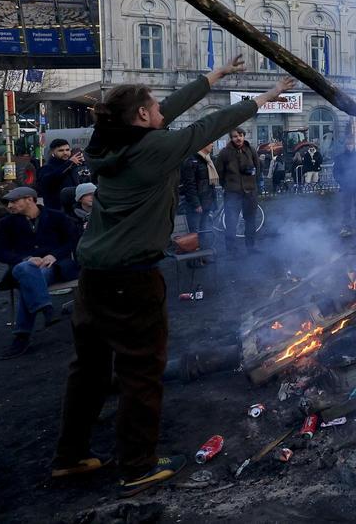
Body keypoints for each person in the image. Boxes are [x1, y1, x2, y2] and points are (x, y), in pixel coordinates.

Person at [52, 53, 294, 495]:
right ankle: (138, 466)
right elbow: (209, 127)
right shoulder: (155, 150)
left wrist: (211, 77)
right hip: (132, 278)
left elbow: (172, 111)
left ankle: (70, 457)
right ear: (143, 115)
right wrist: (267, 96)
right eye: (155, 107)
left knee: (87, 370)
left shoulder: (108, 143)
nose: (163, 111)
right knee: (141, 371)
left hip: (94, 276)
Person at [0, 186, 80, 359]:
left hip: (53, 267)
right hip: (23, 267)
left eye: (14, 201)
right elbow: (0, 252)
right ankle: (45, 308)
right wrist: (25, 259)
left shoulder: (56, 217)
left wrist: (54, 255)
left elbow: (73, 240)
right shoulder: (7, 223)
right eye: (8, 202)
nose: (9, 206)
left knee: (30, 282)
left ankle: (22, 336)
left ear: (30, 199)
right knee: (26, 270)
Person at [216, 128, 261, 252]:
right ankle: (231, 249)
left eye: (240, 135)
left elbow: (258, 169)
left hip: (250, 193)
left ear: (244, 136)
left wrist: (252, 185)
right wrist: (229, 186)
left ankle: (251, 247)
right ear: (231, 138)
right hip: (233, 194)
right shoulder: (225, 153)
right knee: (231, 222)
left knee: (250, 221)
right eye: (235, 136)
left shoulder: (251, 150)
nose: (238, 138)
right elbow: (219, 172)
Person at [37, 139, 85, 212]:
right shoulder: (47, 167)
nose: (65, 153)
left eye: (67, 150)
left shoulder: (72, 166)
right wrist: (68, 164)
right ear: (53, 152)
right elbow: (47, 181)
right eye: (61, 150)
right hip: (56, 210)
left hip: (73, 209)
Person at [180, 144, 218, 236]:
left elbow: (211, 184)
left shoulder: (209, 159)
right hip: (196, 205)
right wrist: (196, 204)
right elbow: (189, 185)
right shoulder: (191, 160)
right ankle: (194, 249)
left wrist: (213, 202)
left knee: (204, 230)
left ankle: (203, 247)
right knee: (194, 233)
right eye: (210, 142)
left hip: (207, 202)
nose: (212, 144)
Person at [333, 137, 356, 234]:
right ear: (345, 146)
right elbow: (336, 172)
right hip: (346, 186)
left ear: (353, 145)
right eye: (348, 144)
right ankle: (346, 226)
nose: (349, 146)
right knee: (346, 208)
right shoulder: (340, 158)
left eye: (351, 144)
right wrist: (342, 182)